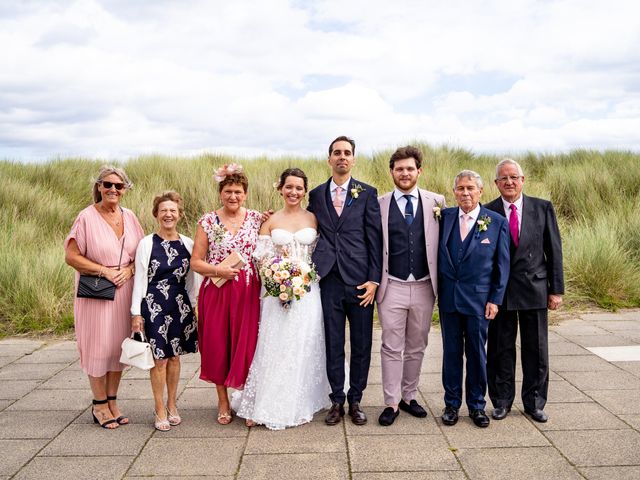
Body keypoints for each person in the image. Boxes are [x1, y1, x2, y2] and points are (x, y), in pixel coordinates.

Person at [232, 168, 331, 429]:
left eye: (299, 188)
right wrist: (278, 282)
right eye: (289, 187)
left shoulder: (314, 218)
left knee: (304, 343)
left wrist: (302, 278)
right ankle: (263, 402)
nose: (294, 192)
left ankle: (301, 399)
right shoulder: (270, 221)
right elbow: (262, 259)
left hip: (308, 291)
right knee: (274, 345)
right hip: (277, 293)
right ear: (281, 189)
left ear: (304, 190)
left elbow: (320, 252)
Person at [308, 135, 383, 426]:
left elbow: (374, 239)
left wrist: (374, 280)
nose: (342, 157)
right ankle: (336, 400)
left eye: (347, 153)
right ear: (329, 159)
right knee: (333, 342)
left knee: (362, 343)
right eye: (337, 153)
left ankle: (356, 400)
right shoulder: (316, 195)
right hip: (328, 280)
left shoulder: (367, 193)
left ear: (353, 159)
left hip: (360, 282)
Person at [64, 166, 144, 429]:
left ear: (125, 190)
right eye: (107, 185)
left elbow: (141, 256)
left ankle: (113, 401)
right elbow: (72, 257)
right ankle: (99, 404)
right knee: (97, 347)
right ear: (99, 186)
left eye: (118, 186)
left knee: (117, 348)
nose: (113, 190)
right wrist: (105, 271)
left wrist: (129, 270)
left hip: (125, 291)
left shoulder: (130, 217)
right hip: (96, 293)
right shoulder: (86, 217)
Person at [486, 159, 564, 423]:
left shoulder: (542, 208)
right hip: (501, 293)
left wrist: (556, 291)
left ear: (523, 179)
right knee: (500, 349)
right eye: (503, 178)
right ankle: (501, 401)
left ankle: (534, 402)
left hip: (535, 288)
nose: (509, 182)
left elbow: (554, 251)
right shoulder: (488, 211)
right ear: (496, 184)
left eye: (513, 177)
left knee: (537, 350)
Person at [376, 146, 445, 426]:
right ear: (392, 172)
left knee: (417, 344)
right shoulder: (379, 203)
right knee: (391, 345)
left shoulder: (436, 202)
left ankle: (409, 396)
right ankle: (391, 402)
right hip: (391, 284)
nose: (404, 173)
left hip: (425, 285)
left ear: (419, 171)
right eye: (399, 169)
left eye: (409, 169)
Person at [190, 164, 262, 425]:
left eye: (238, 192)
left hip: (248, 291)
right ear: (221, 193)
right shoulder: (207, 221)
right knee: (218, 344)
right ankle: (223, 401)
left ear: (246, 194)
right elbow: (195, 262)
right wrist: (217, 269)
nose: (233, 196)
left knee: (248, 346)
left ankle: (246, 400)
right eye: (228, 191)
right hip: (217, 290)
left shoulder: (256, 219)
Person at [437, 170, 510, 428]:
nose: (465, 193)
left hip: (479, 302)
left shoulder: (496, 221)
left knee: (478, 355)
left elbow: (502, 266)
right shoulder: (443, 218)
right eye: (460, 188)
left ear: (480, 192)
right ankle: (451, 404)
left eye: (470, 188)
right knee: (451, 354)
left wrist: (495, 300)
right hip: (449, 300)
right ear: (454, 192)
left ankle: (477, 406)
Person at [130, 191, 201, 431]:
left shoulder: (188, 243)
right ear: (156, 215)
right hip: (153, 305)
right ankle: (159, 407)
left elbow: (192, 280)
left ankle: (173, 404)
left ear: (179, 214)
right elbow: (140, 279)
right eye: (163, 211)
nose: (168, 214)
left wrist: (194, 308)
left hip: (179, 304)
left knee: (174, 357)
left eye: (173, 210)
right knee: (158, 359)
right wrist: (135, 313)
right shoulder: (147, 243)